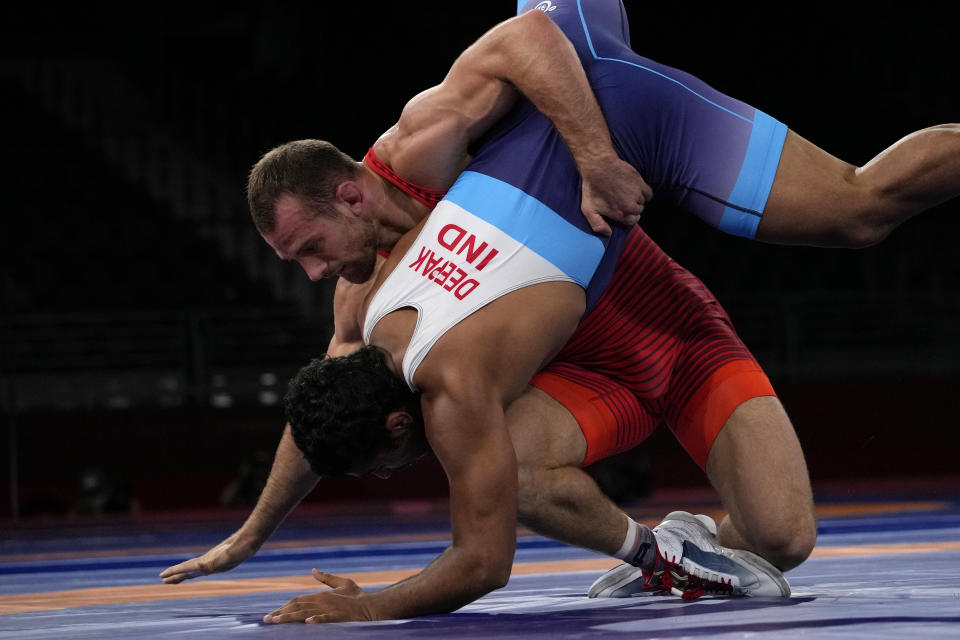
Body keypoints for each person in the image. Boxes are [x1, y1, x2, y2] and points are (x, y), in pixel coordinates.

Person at [161, 0, 956, 618]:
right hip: (594, 359)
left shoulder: (416, 152)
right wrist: (252, 535)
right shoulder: (363, 301)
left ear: (350, 193)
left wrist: (597, 158)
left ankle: (655, 555)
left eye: (308, 248)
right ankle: (666, 550)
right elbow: (317, 419)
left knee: (859, 210)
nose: (311, 273)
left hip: (640, 190)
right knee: (780, 538)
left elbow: (534, 38)